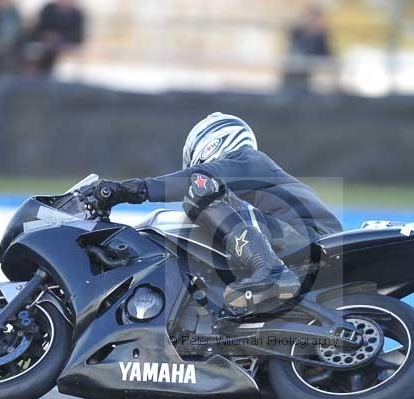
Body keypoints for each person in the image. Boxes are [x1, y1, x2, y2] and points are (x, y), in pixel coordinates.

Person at [83, 113, 343, 310]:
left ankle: (270, 274)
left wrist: (127, 191)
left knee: (200, 193)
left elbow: (195, 179)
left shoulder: (248, 159)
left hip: (312, 240)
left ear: (209, 145)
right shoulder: (252, 177)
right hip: (308, 245)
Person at [284, 5, 332, 92]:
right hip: (294, 76)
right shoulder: (298, 32)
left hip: (312, 77)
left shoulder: (322, 36)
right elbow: (295, 52)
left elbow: (326, 55)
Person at [33, 0, 86, 75]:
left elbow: (78, 35)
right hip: (47, 42)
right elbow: (40, 28)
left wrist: (63, 40)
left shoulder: (77, 14)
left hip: (66, 43)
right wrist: (48, 36)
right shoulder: (48, 9)